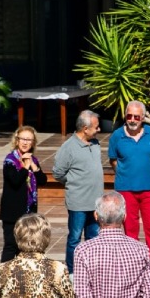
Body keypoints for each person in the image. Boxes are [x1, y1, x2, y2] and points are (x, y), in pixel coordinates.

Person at [107, 100, 150, 279]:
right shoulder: (117, 136)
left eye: (136, 116)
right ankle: (133, 265)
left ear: (142, 118)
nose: (132, 120)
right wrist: (126, 174)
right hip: (126, 189)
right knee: (130, 229)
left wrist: (149, 171)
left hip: (149, 188)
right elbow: (114, 161)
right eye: (129, 116)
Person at [53, 109, 104, 272]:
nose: (99, 130)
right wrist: (74, 182)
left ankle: (91, 269)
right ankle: (73, 272)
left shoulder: (95, 144)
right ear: (85, 128)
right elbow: (58, 172)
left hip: (95, 202)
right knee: (75, 239)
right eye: (96, 127)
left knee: (93, 238)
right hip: (78, 203)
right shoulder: (68, 147)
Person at [0, 125, 42, 262]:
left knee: (27, 248)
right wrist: (25, 167)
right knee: (11, 246)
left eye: (29, 140)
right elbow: (15, 181)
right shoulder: (10, 160)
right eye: (22, 139)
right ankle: (4, 279)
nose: (25, 142)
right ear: (17, 140)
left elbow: (43, 181)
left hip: (28, 212)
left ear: (33, 142)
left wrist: (34, 168)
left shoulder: (33, 160)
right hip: (12, 213)